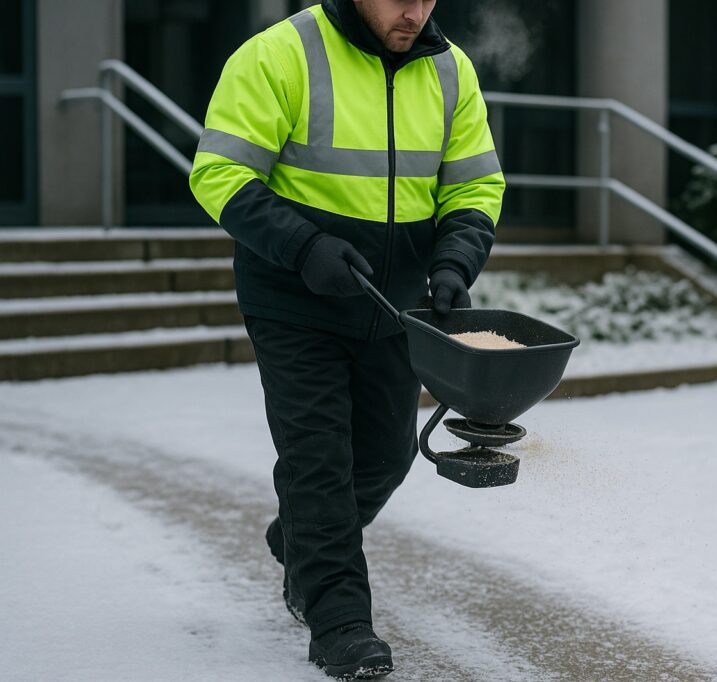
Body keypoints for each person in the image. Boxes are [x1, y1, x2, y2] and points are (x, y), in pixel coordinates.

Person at [189, 0, 504, 677]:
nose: (415, 11)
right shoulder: (281, 53)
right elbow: (219, 172)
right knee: (319, 463)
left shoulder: (451, 71)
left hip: (394, 307)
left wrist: (454, 262)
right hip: (293, 299)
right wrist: (304, 246)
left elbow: (475, 183)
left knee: (386, 457)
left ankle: (302, 538)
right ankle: (338, 624)